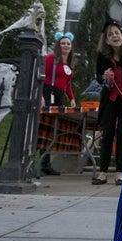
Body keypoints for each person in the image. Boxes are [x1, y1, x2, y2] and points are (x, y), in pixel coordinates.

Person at [94, 18, 122, 186]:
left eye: (117, 33)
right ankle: (102, 172)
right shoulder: (102, 56)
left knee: (121, 134)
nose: (114, 36)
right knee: (107, 133)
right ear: (106, 40)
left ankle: (120, 172)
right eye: (110, 34)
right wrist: (104, 78)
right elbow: (98, 78)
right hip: (110, 100)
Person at [39, 31, 76, 175]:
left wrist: (71, 98)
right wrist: (41, 96)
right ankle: (39, 160)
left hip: (59, 96)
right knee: (44, 127)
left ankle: (45, 161)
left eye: (68, 43)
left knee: (53, 129)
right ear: (58, 45)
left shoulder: (70, 64)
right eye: (63, 43)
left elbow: (67, 84)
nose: (66, 46)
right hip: (48, 93)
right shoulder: (51, 59)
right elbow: (42, 77)